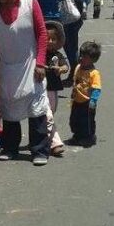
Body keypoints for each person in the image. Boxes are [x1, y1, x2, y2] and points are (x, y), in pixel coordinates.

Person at [0, 0, 50, 166]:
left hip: (30, 64)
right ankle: (10, 147)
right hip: (6, 66)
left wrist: (40, 62)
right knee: (8, 107)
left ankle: (39, 150)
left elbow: (42, 34)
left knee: (36, 107)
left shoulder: (30, 2)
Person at [67, 41, 102, 147]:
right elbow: (76, 81)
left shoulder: (94, 73)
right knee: (74, 119)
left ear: (93, 59)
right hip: (77, 100)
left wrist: (93, 100)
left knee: (87, 122)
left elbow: (96, 88)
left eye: (85, 57)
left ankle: (89, 137)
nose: (81, 58)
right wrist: (73, 92)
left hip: (87, 102)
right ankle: (77, 135)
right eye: (80, 55)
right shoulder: (78, 67)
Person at [45, 21, 68, 156]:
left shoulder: (57, 55)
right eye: (47, 39)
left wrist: (60, 69)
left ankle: (43, 138)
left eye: (53, 39)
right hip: (41, 89)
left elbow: (65, 67)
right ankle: (55, 143)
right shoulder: (39, 53)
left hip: (53, 89)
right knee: (47, 115)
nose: (50, 42)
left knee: (50, 114)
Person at [59, 0, 84, 86]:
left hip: (72, 20)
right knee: (69, 47)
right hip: (73, 19)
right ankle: (75, 74)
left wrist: (77, 12)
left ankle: (75, 75)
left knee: (71, 48)